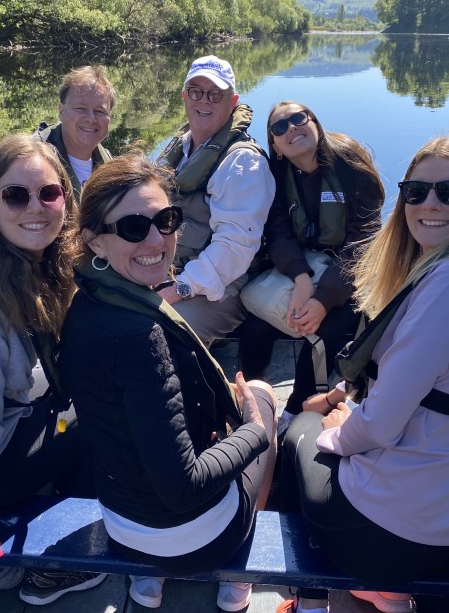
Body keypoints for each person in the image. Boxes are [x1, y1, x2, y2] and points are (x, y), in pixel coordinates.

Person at [59, 152, 278, 612]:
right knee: (260, 396)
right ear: (95, 242)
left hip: (124, 525)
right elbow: (183, 487)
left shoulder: (86, 303)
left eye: (167, 219)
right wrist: (254, 432)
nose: (157, 239)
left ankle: (148, 586)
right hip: (190, 541)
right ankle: (237, 579)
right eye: (134, 228)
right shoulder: (140, 336)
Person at [277, 136, 449, 613]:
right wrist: (345, 399)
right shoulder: (433, 274)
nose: (430, 204)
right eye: (416, 191)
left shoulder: (442, 290)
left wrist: (334, 429)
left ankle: (310, 599)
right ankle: (386, 597)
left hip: (396, 533)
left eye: (447, 192)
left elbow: (378, 425)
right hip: (436, 504)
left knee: (299, 431)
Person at [0, 135, 106, 605]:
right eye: (15, 195)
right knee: (103, 414)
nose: (36, 207)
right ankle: (64, 562)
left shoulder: (22, 262)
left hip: (4, 427)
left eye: (49, 193)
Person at [239, 101, 385, 436]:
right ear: (274, 144)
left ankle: (294, 409)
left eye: (297, 118)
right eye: (279, 127)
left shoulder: (349, 161)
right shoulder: (275, 175)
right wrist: (301, 279)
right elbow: (277, 230)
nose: (291, 128)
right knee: (254, 328)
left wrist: (321, 298)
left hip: (350, 272)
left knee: (327, 326)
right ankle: (250, 397)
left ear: (314, 123)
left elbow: (363, 242)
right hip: (301, 267)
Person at [156, 55, 275, 347]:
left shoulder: (243, 162)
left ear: (232, 101)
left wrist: (178, 288)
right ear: (185, 96)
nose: (203, 101)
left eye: (215, 94)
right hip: (171, 268)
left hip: (223, 285)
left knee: (159, 336)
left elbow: (234, 247)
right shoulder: (180, 146)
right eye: (196, 92)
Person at [37, 65, 116, 200]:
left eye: (100, 111)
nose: (91, 119)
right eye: (81, 108)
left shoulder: (109, 164)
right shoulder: (31, 159)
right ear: (62, 112)